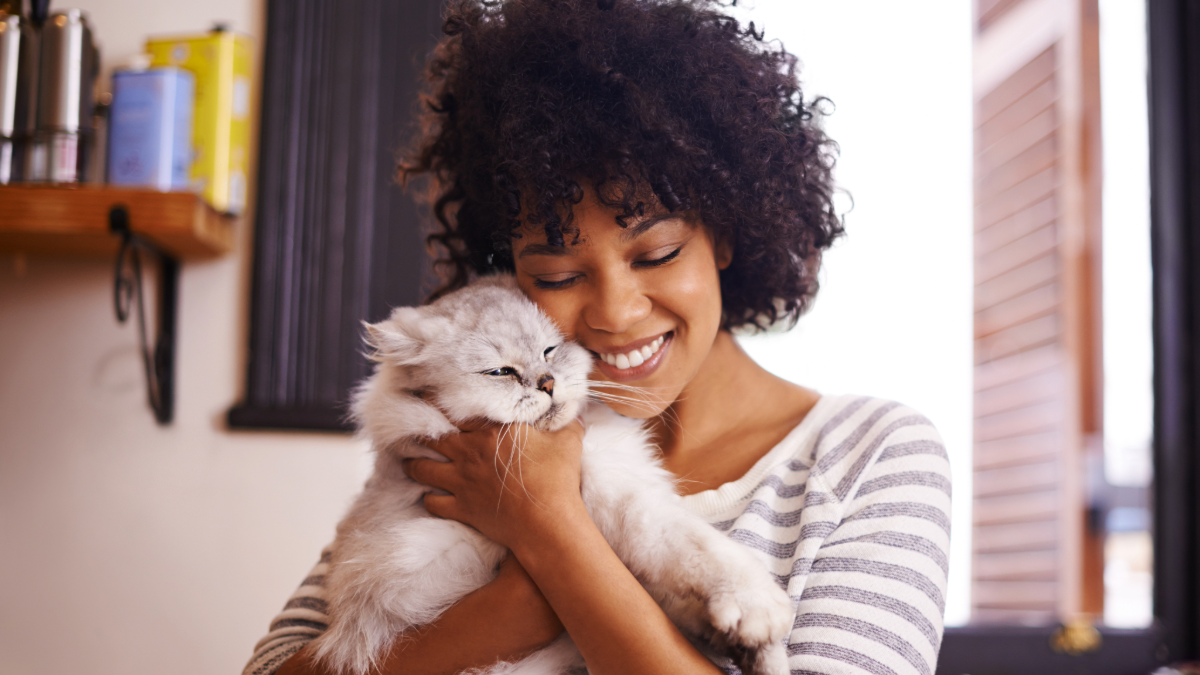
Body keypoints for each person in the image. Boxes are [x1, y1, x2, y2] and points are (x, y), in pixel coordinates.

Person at [245, 1, 951, 674]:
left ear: (726, 235)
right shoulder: (470, 442)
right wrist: (506, 613)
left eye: (657, 255)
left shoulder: (871, 456)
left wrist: (550, 532)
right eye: (556, 273)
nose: (614, 312)